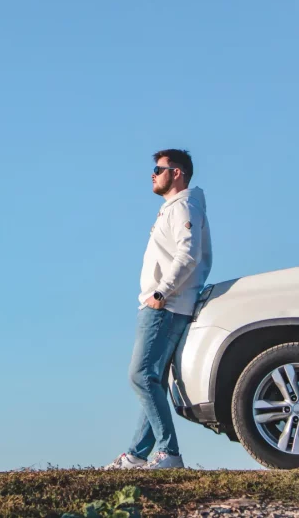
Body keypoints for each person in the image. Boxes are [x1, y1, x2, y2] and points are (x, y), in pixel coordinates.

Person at [105, 149, 213, 470]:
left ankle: (169, 453)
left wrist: (160, 293)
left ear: (176, 173)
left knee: (140, 376)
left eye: (159, 168)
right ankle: (138, 454)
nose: (153, 174)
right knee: (153, 380)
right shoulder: (174, 208)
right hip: (165, 303)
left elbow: (188, 253)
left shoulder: (184, 206)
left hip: (166, 305)